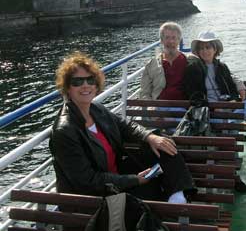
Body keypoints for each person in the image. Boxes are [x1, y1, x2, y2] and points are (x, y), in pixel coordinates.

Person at [50, 52, 196, 204]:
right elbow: (87, 181)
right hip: (98, 194)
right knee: (152, 191)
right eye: (77, 82)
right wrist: (135, 180)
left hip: (117, 175)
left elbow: (125, 126)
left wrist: (150, 137)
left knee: (163, 143)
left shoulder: (95, 109)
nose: (85, 85)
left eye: (90, 79)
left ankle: (177, 195)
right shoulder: (65, 131)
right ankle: (176, 201)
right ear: (67, 88)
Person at [184, 30, 246, 119]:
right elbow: (194, 96)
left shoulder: (222, 67)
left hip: (226, 106)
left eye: (208, 47)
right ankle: (230, 124)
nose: (204, 51)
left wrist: (234, 100)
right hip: (209, 112)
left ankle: (230, 123)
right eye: (201, 48)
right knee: (227, 121)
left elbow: (232, 89)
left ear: (215, 49)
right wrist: (213, 107)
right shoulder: (192, 68)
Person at [140, 22, 187, 100]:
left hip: (184, 108)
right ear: (161, 40)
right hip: (159, 107)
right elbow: (145, 92)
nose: (171, 41)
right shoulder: (151, 65)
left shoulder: (189, 61)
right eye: (167, 37)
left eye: (174, 38)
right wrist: (150, 106)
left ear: (179, 40)